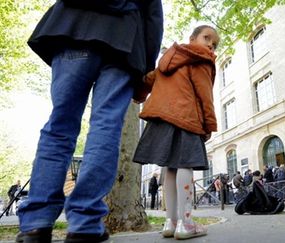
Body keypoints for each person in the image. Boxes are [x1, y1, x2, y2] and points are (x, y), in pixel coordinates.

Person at [16, 1, 163, 242]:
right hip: (123, 42)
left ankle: (36, 223)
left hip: (74, 28)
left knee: (59, 128)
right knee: (106, 128)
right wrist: (145, 70)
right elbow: (153, 17)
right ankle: (84, 223)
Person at [132, 25, 219, 240]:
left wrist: (138, 94)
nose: (210, 45)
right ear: (192, 38)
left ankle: (170, 222)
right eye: (207, 38)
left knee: (169, 168)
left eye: (214, 44)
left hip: (161, 116)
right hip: (186, 115)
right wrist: (209, 124)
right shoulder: (201, 59)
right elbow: (205, 94)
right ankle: (186, 222)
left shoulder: (167, 59)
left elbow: (149, 80)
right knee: (185, 164)